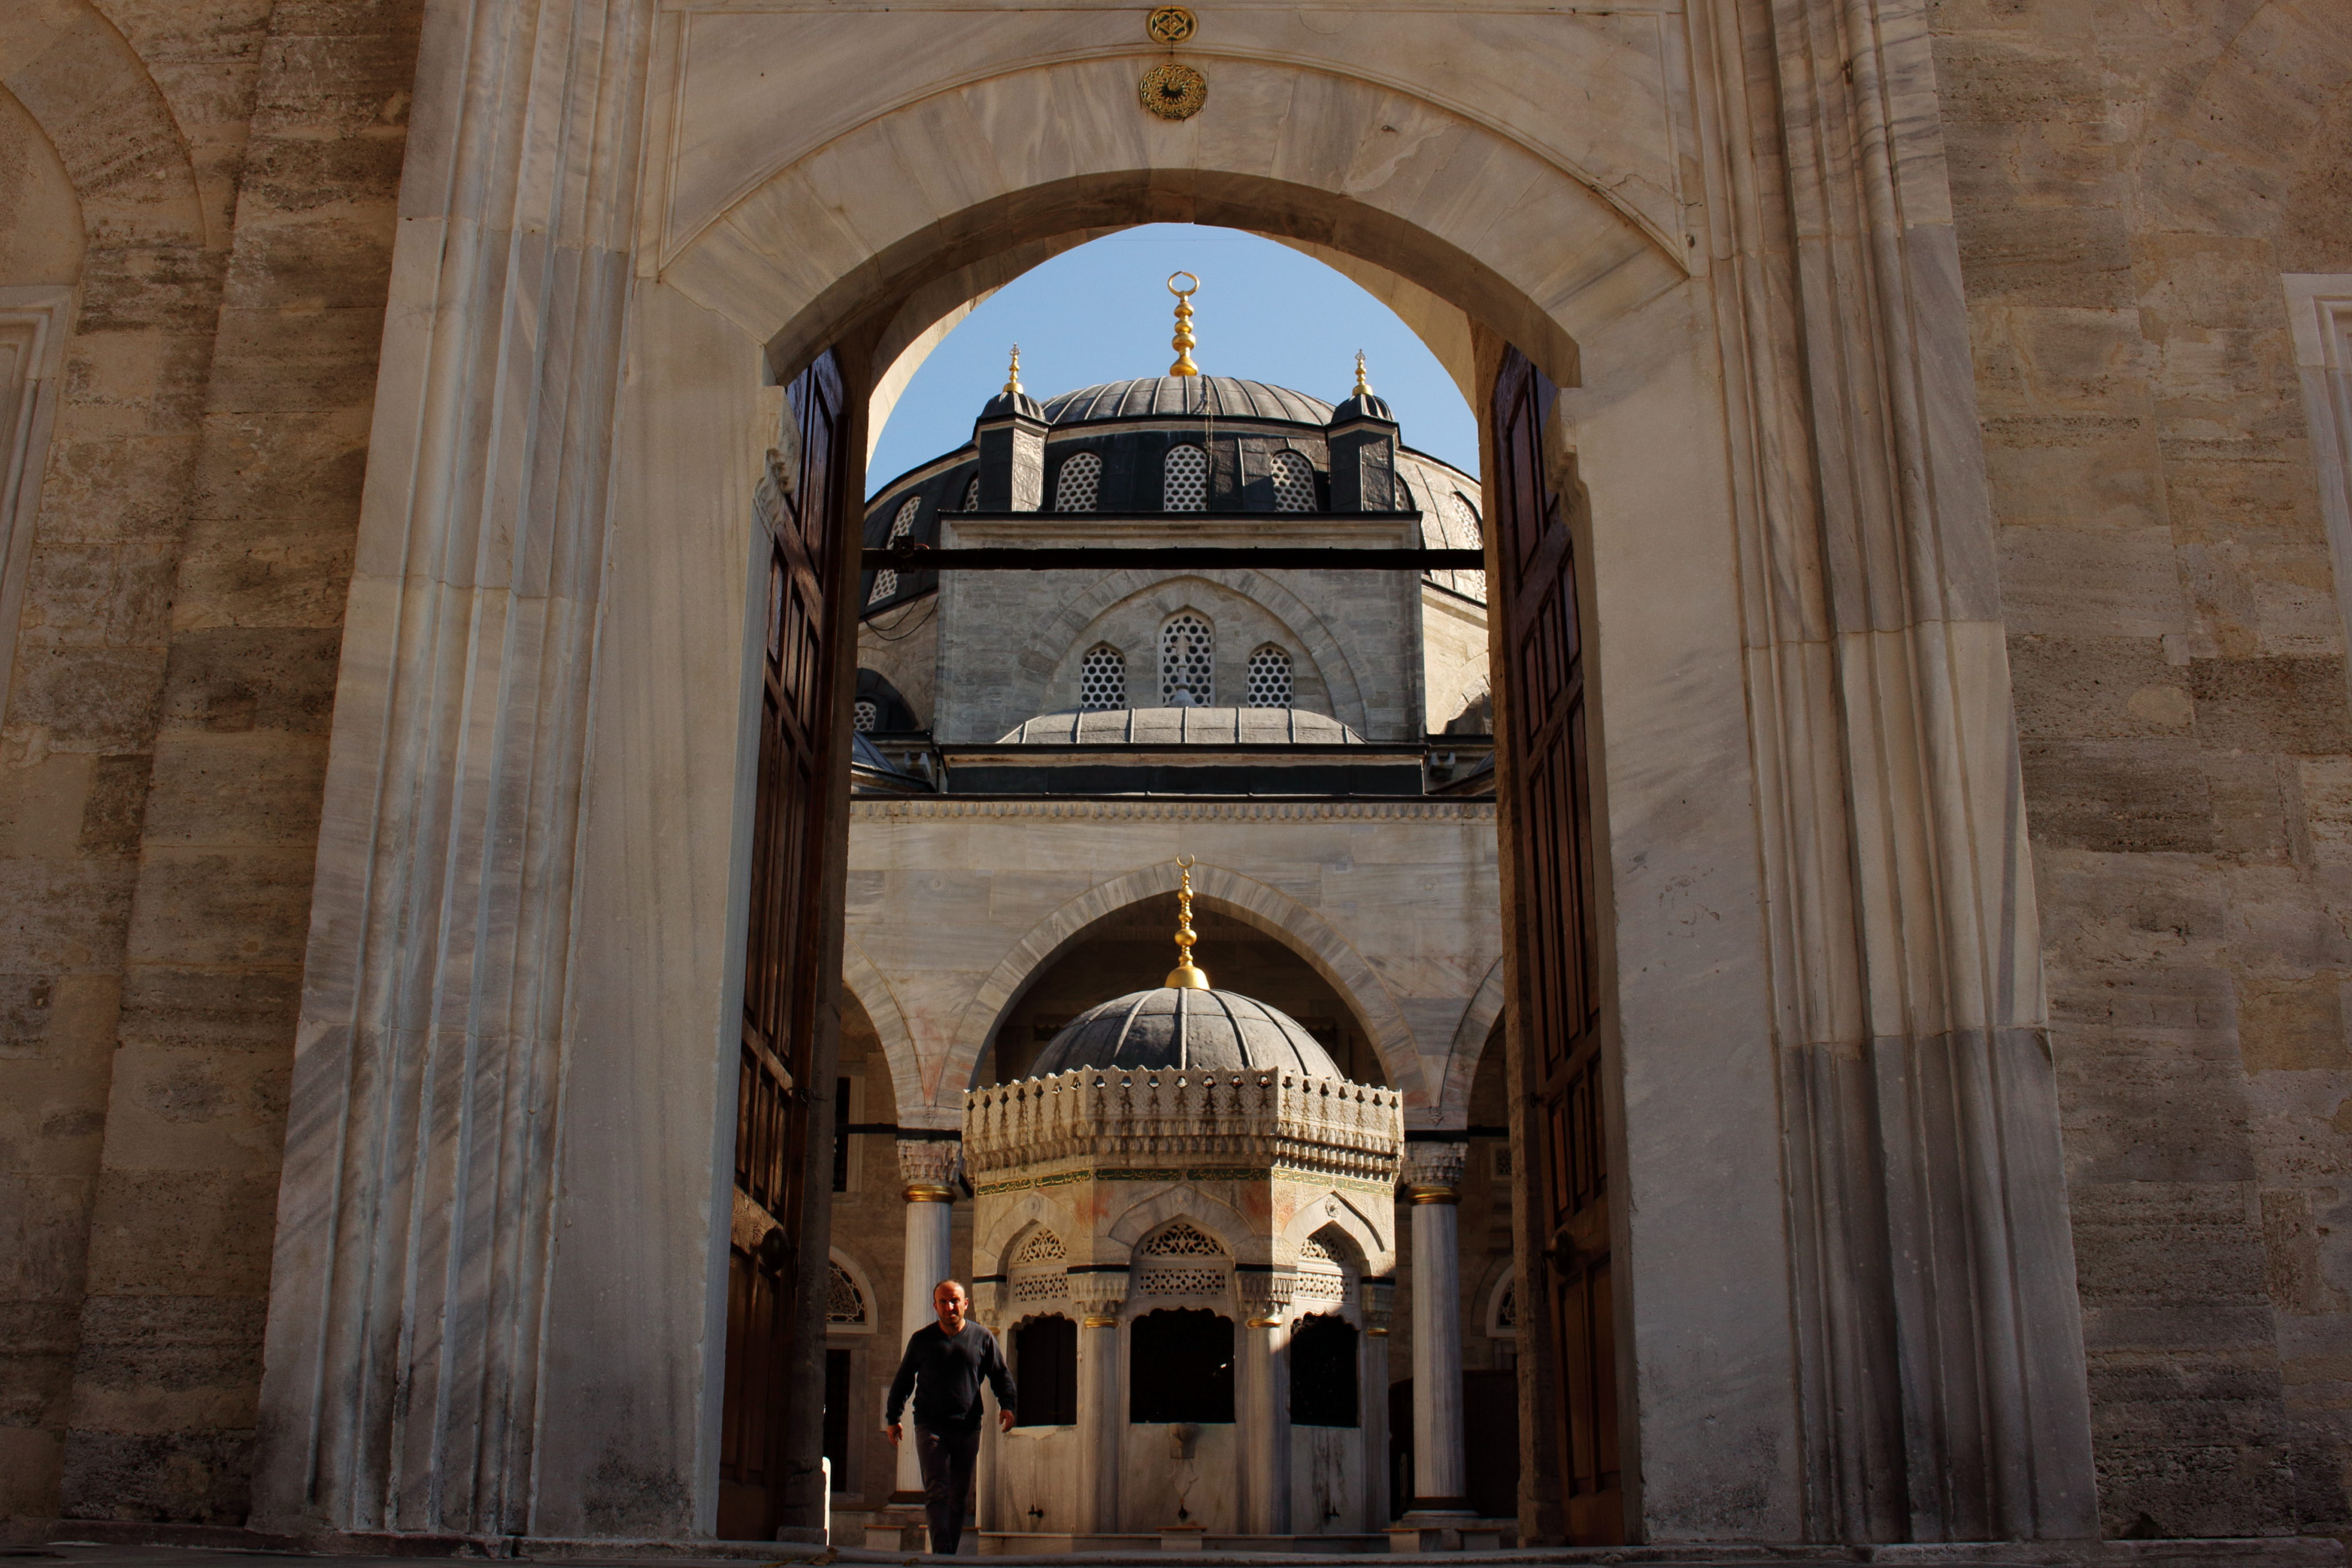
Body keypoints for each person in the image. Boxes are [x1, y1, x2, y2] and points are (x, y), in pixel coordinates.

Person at [884, 1279, 1016, 1555]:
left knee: (959, 1494)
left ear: (966, 1304)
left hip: (967, 1426)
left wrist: (1008, 1405)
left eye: (955, 1301)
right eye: (943, 1302)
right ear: (935, 1306)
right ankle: (942, 1552)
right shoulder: (922, 1340)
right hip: (930, 1425)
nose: (950, 1307)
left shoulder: (982, 1338)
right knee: (936, 1489)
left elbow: (1001, 1375)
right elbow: (904, 1379)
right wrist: (893, 1418)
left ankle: (949, 1553)